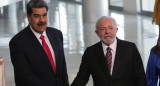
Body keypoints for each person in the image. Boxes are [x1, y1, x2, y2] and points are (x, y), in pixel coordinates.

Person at [71, 16, 147, 86]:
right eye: (102, 29)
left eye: (111, 28)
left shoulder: (130, 49)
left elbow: (140, 77)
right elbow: (81, 78)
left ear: (116, 30)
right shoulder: (90, 52)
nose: (107, 32)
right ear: (97, 33)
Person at [9, 0, 69, 86]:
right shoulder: (18, 43)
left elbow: (63, 69)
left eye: (44, 15)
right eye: (37, 16)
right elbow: (25, 78)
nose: (42, 20)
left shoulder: (57, 34)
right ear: (29, 17)